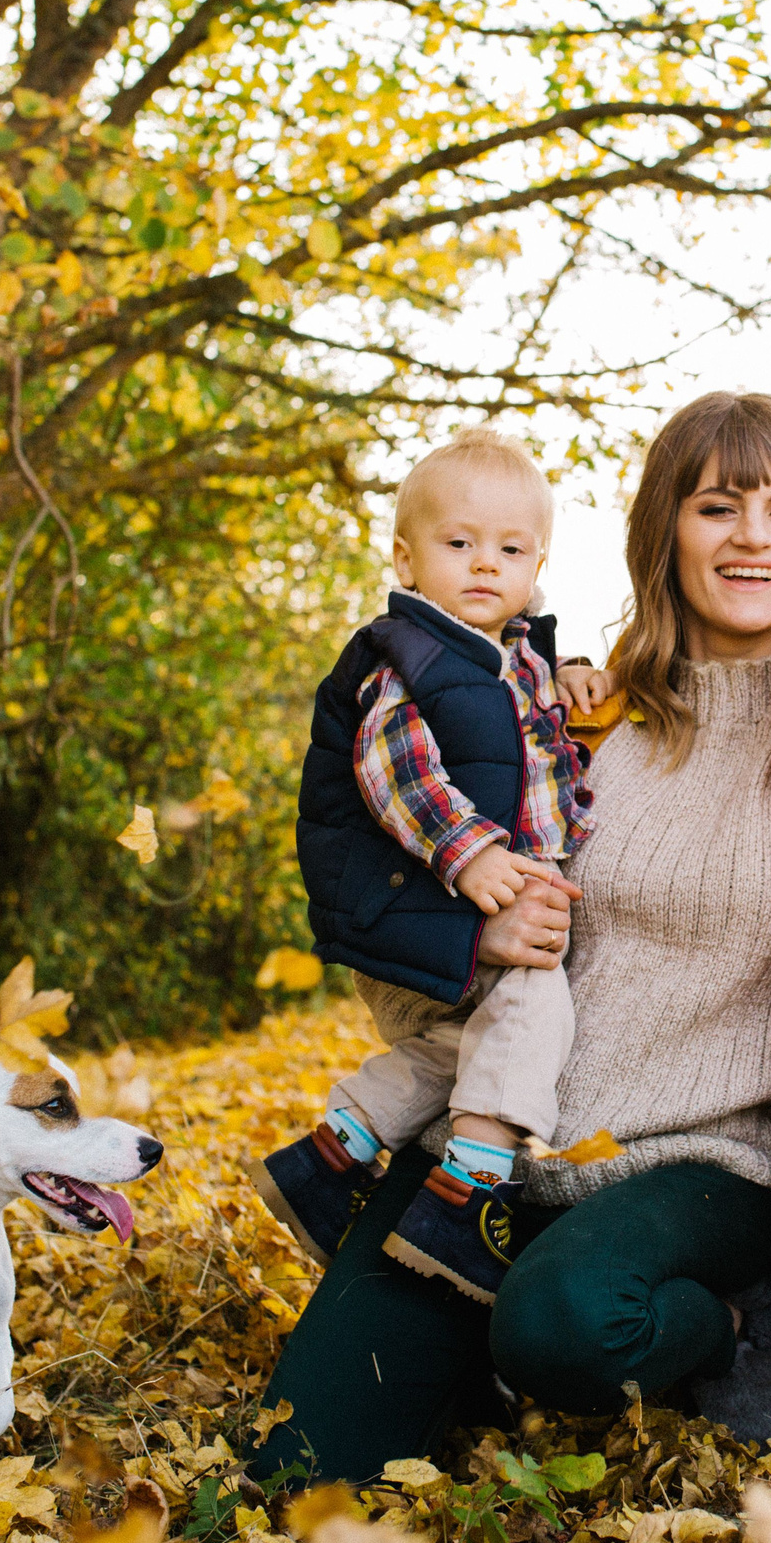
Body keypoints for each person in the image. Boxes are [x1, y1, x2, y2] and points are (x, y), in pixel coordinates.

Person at [252, 391, 771, 1484]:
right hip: (495, 1145)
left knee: (564, 1328)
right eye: (718, 508)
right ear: (665, 530)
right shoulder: (571, 714)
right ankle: (488, 1335)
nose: (754, 539)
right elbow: (407, 879)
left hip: (702, 1165)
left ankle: (729, 1325)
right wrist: (477, 945)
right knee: (299, 1464)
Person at [254, 428, 594, 1304]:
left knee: (476, 1044)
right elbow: (395, 767)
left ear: (537, 563)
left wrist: (576, 671)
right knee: (534, 1010)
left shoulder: (511, 659)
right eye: (459, 543)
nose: (486, 564)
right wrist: (471, 853)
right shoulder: (408, 654)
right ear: (406, 559)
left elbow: (536, 734)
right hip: (459, 894)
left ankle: (334, 1152)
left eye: (510, 549)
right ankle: (466, 1197)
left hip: (489, 894)